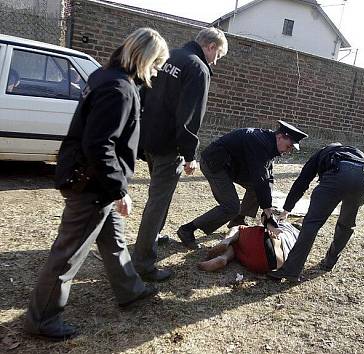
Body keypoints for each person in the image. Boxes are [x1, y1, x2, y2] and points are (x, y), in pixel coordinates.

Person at [23, 28, 169, 341]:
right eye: (156, 64)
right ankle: (41, 319)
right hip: (91, 186)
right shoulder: (118, 88)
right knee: (68, 254)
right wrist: (119, 189)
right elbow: (99, 144)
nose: (156, 71)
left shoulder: (107, 77)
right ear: (144, 58)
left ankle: (130, 289)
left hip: (94, 181)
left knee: (113, 239)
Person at [132, 27, 228, 282]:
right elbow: (189, 116)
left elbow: (144, 92)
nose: (216, 60)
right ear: (209, 46)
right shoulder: (198, 68)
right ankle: (143, 263)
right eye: (217, 54)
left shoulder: (169, 56)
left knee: (157, 196)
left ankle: (152, 238)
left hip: (150, 138)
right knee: (158, 201)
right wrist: (189, 154)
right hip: (169, 146)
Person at [177, 120, 307, 249]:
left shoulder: (270, 144)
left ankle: (237, 220)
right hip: (214, 164)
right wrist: (266, 209)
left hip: (232, 166)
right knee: (231, 206)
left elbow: (268, 177)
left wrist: (269, 211)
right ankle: (187, 229)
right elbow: (259, 175)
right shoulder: (260, 142)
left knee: (258, 189)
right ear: (280, 137)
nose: (288, 151)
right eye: (289, 146)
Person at [267, 143, 364, 281]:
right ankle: (329, 263)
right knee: (346, 225)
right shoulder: (354, 152)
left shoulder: (321, 154)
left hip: (338, 174)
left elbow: (302, 182)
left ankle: (291, 270)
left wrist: (287, 209)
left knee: (311, 223)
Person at [197, 213, 299, 273]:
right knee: (238, 247)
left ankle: (226, 244)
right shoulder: (301, 239)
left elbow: (264, 220)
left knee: (238, 228)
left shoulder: (285, 225)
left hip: (266, 242)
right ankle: (223, 258)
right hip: (268, 265)